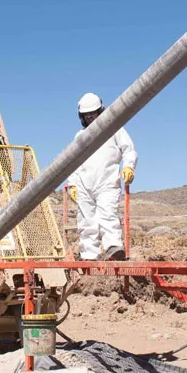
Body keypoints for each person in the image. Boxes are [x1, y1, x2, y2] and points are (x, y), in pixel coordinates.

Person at [67, 92, 137, 261]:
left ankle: (113, 247)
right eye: (87, 115)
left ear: (100, 111)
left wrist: (128, 167)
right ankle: (88, 255)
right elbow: (74, 162)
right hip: (84, 184)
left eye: (93, 113)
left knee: (107, 214)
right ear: (82, 116)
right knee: (86, 221)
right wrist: (72, 184)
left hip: (107, 181)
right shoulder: (80, 136)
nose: (90, 117)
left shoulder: (115, 130)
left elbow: (129, 150)